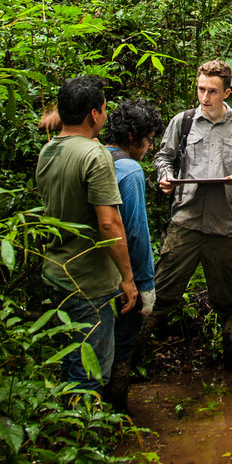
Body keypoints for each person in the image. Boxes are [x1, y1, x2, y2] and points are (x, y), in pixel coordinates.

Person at [147, 60, 232, 370]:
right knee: (161, 295)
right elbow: (164, 158)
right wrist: (165, 176)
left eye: (212, 91)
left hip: (225, 226)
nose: (205, 97)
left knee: (229, 303)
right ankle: (133, 362)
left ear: (227, 93)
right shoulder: (182, 122)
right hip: (186, 222)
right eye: (201, 89)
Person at [36, 76, 137, 397]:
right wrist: (128, 278)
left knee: (70, 363)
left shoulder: (49, 151)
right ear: (94, 115)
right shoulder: (94, 156)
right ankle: (84, 440)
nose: (106, 115)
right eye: (104, 110)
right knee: (90, 373)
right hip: (88, 282)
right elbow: (109, 224)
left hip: (56, 273)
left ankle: (69, 431)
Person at [102, 99, 165, 412]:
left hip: (90, 273)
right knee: (122, 347)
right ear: (132, 136)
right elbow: (135, 232)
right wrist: (143, 283)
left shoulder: (94, 156)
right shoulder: (129, 170)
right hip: (121, 280)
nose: (151, 147)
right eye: (149, 138)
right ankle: (116, 415)